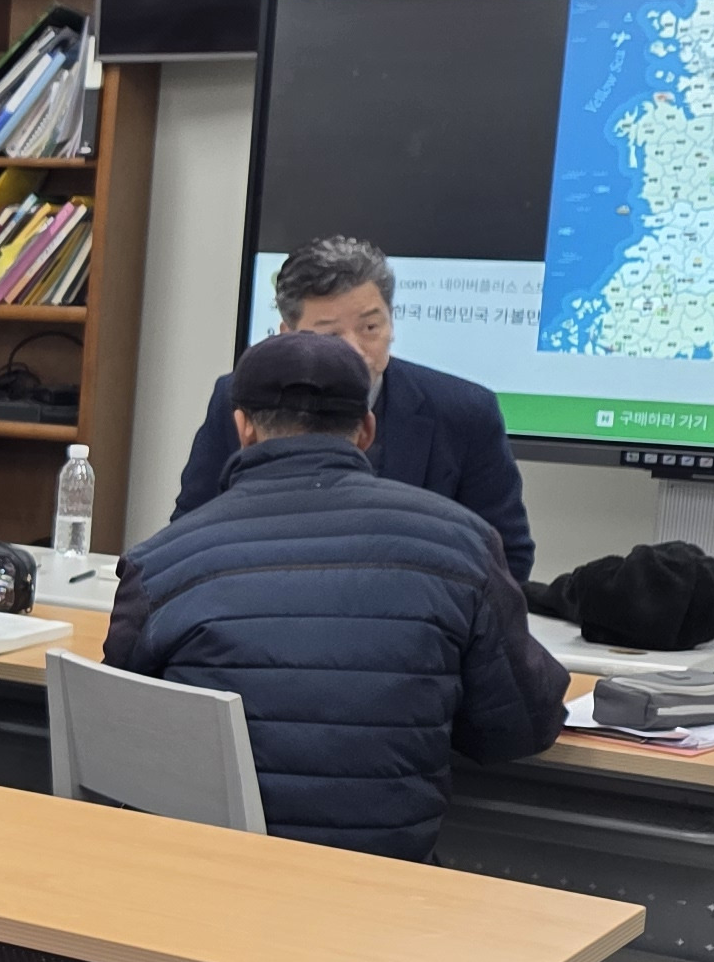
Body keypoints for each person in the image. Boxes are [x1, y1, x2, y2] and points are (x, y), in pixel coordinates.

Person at [108, 331, 565, 858]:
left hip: (205, 880)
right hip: (385, 888)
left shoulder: (161, 561)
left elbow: (118, 726)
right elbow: (520, 727)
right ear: (366, 429)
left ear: (243, 427)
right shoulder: (463, 543)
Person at [172, 236, 532, 579]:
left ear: (392, 321)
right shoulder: (240, 398)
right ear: (287, 334)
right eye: (330, 335)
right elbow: (188, 531)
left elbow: (506, 558)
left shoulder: (464, 412)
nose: (355, 350)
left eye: (370, 327)